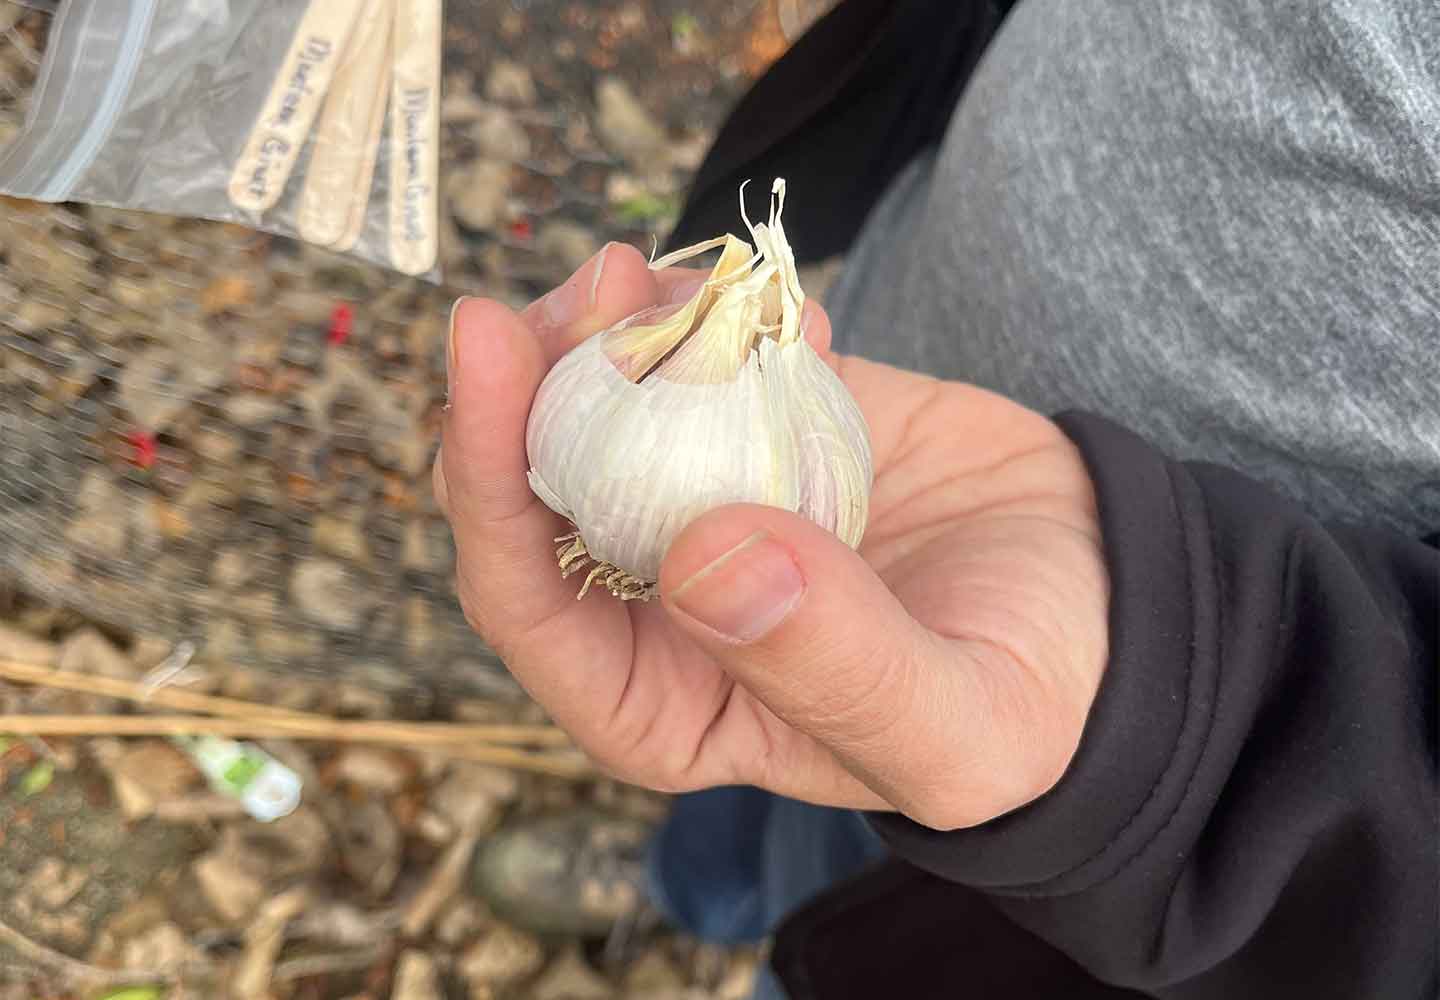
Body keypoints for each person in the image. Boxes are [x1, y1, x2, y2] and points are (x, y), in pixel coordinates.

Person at [433, 1, 1438, 997]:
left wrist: (1186, 731)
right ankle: (683, 886)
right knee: (735, 767)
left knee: (867, 888)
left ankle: (766, 936)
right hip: (894, 384)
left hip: (1101, 753)